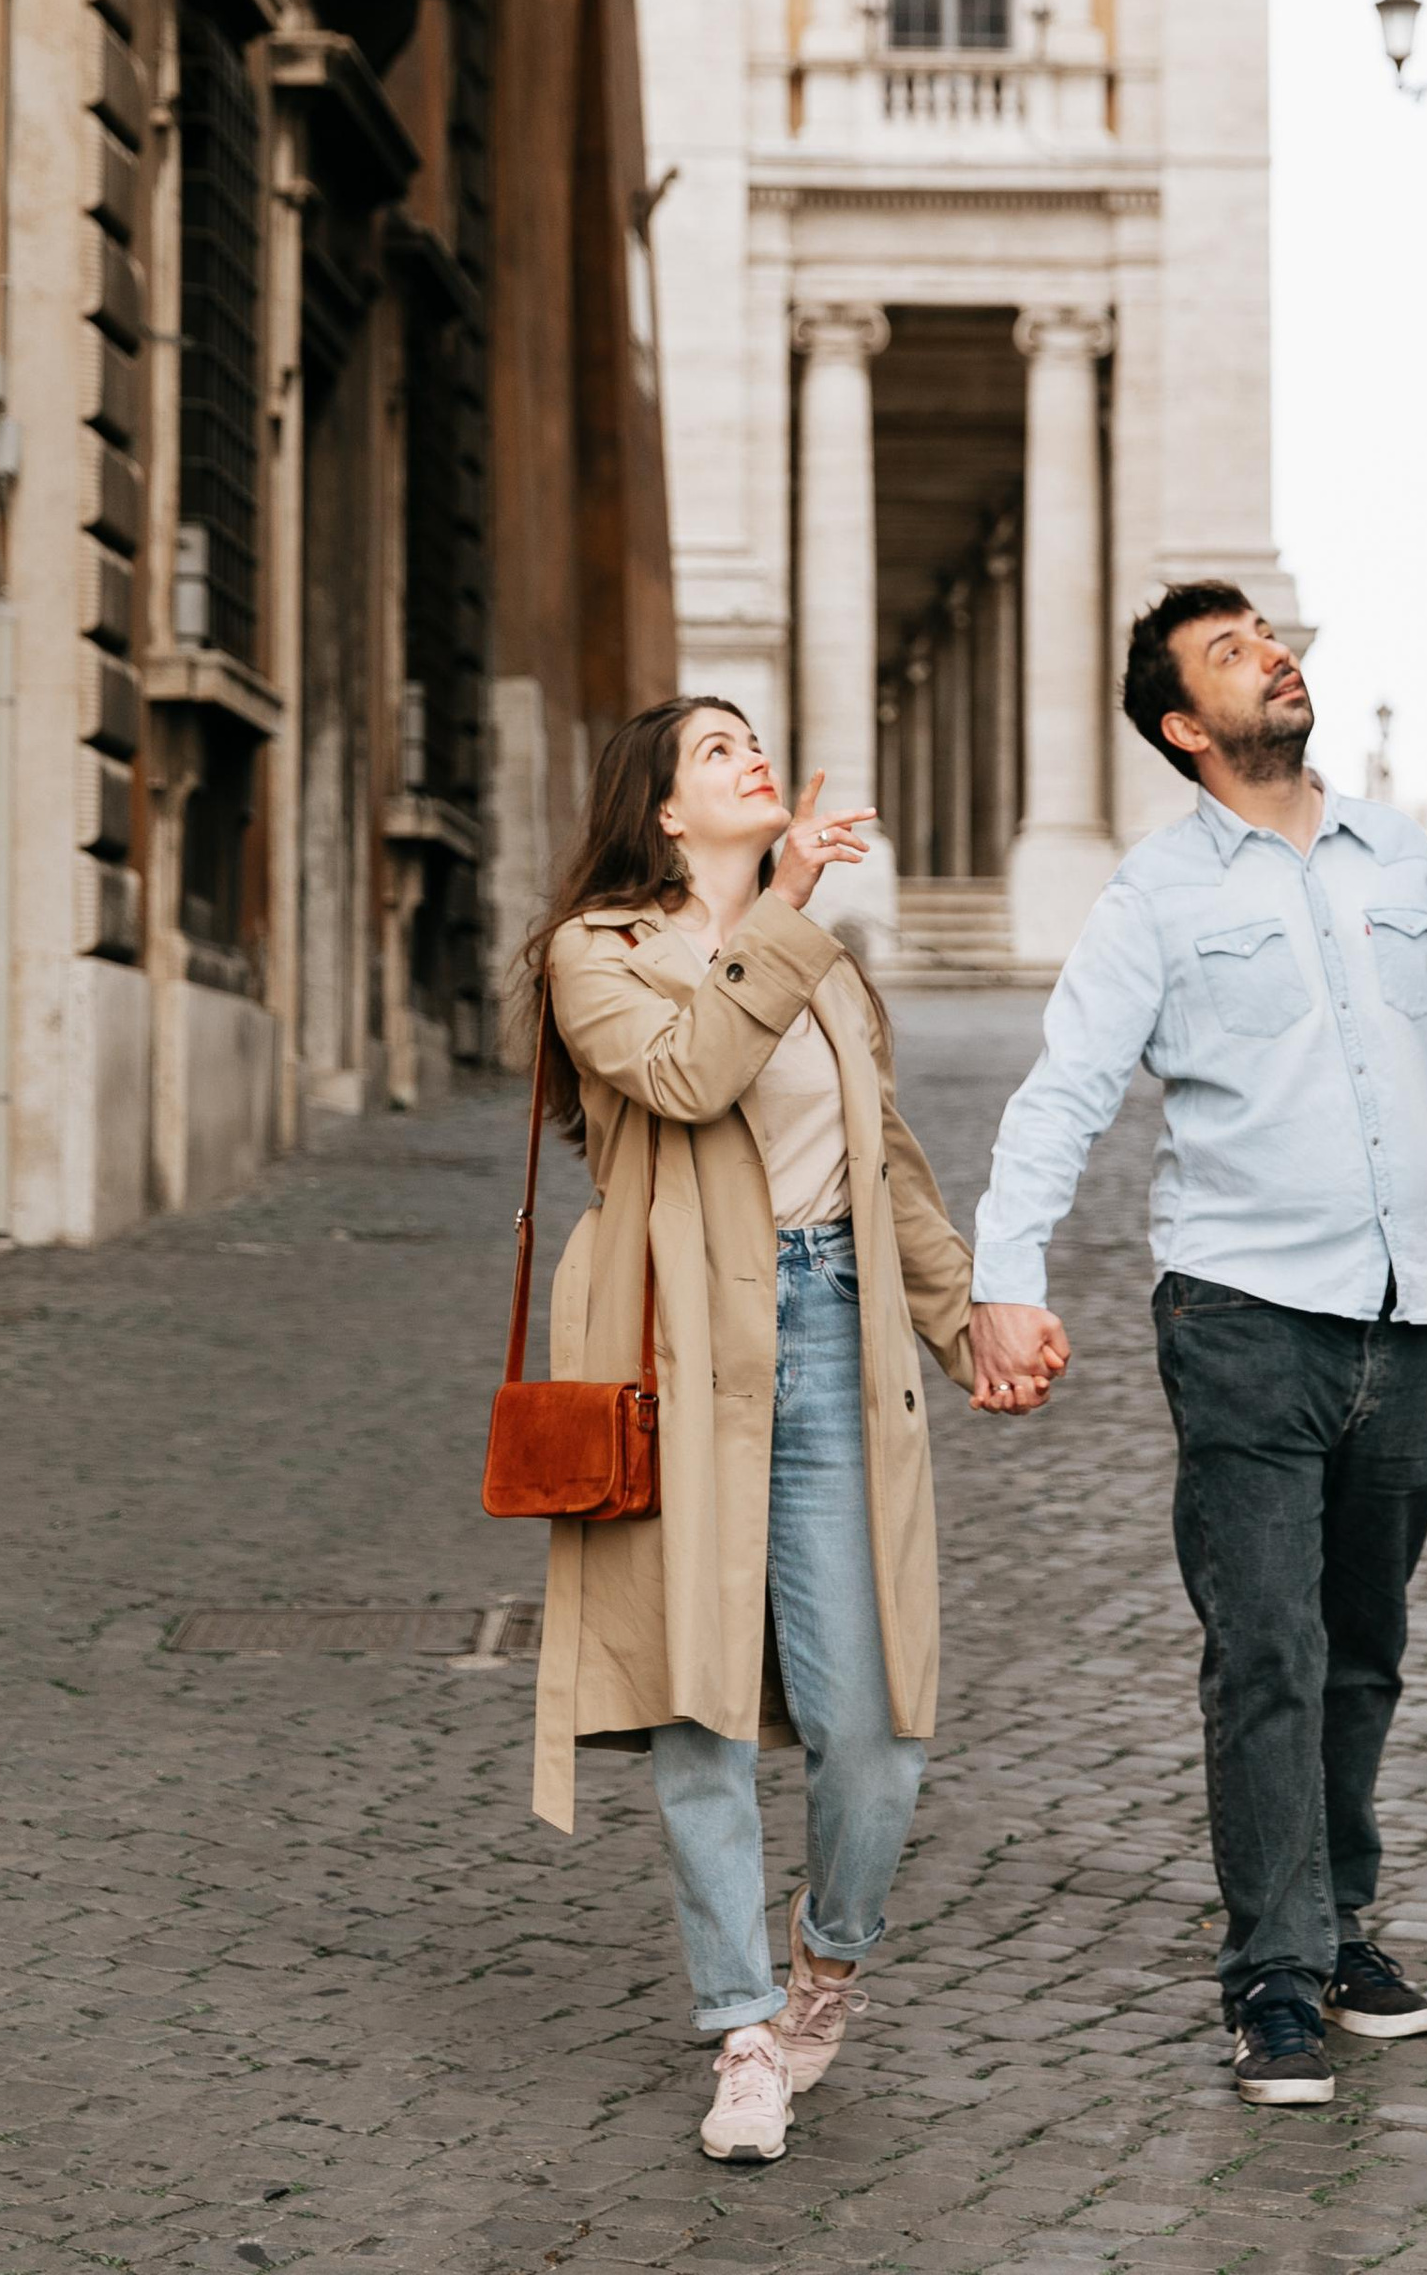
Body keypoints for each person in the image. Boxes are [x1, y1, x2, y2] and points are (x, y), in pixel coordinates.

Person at [970, 584, 1427, 2109]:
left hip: (1408, 1315)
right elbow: (1065, 1090)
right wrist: (1004, 1277)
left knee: (1364, 1647)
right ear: (1185, 726)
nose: (1272, 658)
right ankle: (1275, 1975)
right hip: (1241, 1316)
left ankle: (1340, 1920)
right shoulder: (1156, 895)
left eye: (1268, 638)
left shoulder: (1399, 856)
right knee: (1268, 1650)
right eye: (1230, 653)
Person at [517, 697, 1067, 2165]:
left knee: (874, 1731)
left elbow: (882, 1162)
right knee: (696, 1707)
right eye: (715, 751)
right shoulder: (595, 954)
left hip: (832, 1325)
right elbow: (687, 1074)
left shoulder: (815, 960)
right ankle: (744, 2029)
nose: (750, 756)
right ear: (662, 811)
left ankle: (828, 1963)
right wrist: (788, 907)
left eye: (751, 738)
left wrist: (970, 1320)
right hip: (675, 1345)